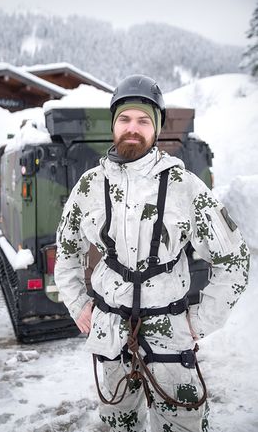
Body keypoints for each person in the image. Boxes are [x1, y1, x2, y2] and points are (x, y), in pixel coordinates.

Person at [54, 75, 250, 432]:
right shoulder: (89, 186)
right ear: (113, 124)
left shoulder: (185, 187)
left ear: (156, 128)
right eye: (125, 119)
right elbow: (66, 252)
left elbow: (234, 259)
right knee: (118, 421)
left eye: (144, 120)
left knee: (184, 423)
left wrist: (200, 321)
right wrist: (78, 304)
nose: (133, 128)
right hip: (111, 331)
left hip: (170, 334)